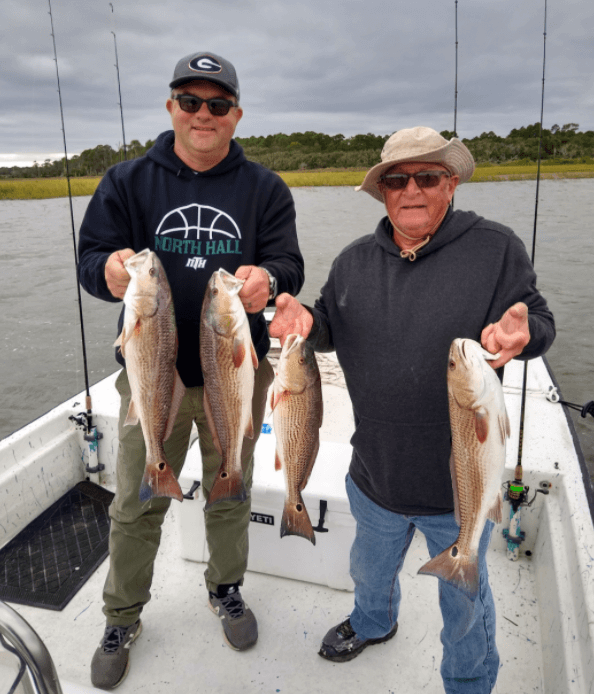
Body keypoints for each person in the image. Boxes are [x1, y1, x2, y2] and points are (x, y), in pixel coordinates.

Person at [270, 126, 555, 694]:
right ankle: (375, 623)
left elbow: (538, 321)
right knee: (367, 574)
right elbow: (327, 323)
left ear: (450, 185)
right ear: (382, 192)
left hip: (459, 493)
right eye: (397, 180)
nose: (412, 190)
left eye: (428, 176)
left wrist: (525, 331)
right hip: (374, 475)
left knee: (466, 607)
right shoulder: (353, 262)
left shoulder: (495, 249)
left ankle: (469, 681)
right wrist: (304, 320)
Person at [78, 51, 304, 689]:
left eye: (219, 104)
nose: (204, 115)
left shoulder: (264, 189)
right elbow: (90, 259)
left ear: (237, 115)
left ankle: (225, 588)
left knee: (230, 487)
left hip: (235, 373)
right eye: (192, 101)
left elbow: (289, 263)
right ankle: (122, 616)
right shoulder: (126, 181)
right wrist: (111, 272)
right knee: (135, 499)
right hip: (151, 375)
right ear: (171, 106)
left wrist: (271, 279)